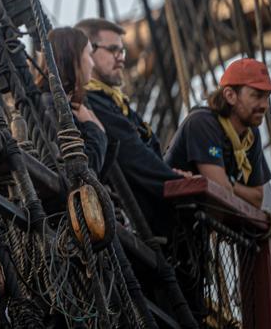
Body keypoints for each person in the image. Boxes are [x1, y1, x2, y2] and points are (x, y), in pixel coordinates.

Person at [76, 17, 186, 234]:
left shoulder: (117, 104)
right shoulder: (91, 102)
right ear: (88, 49)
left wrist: (172, 174)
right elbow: (132, 155)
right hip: (134, 230)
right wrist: (179, 182)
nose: (121, 58)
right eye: (113, 50)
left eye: (122, 51)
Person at [165, 58, 271, 209]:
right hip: (165, 221)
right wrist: (229, 186)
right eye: (257, 95)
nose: (265, 105)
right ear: (230, 95)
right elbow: (221, 190)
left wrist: (229, 183)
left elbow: (257, 198)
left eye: (267, 97)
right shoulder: (202, 124)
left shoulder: (250, 135)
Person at [37, 26, 107, 173]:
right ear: (74, 59)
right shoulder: (51, 105)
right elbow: (86, 172)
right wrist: (94, 128)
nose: (92, 63)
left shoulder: (65, 104)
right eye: (88, 55)